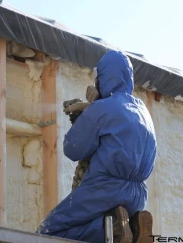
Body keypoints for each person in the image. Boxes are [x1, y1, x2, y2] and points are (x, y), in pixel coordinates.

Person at [36, 51, 157, 243]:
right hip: (137, 197)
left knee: (48, 231)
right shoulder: (143, 111)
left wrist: (82, 118)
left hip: (104, 189)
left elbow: (73, 149)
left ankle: (115, 228)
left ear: (102, 79)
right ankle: (133, 229)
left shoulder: (101, 108)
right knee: (89, 226)